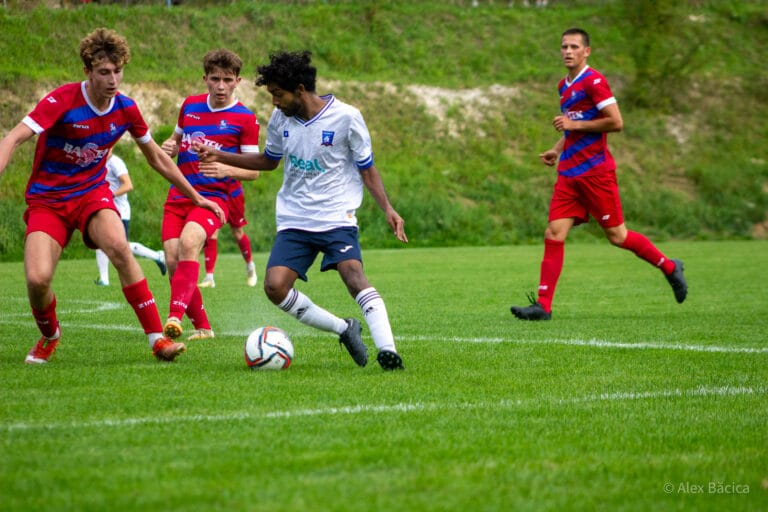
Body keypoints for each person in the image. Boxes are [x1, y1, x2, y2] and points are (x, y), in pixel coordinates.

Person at [0, 27, 224, 364]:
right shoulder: (62, 100)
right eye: (104, 72)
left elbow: (158, 158)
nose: (113, 79)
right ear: (87, 71)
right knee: (37, 279)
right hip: (48, 200)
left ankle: (157, 340)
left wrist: (196, 197)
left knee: (119, 246)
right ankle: (50, 335)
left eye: (118, 71)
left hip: (92, 194)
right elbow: (13, 138)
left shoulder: (126, 109)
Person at [195, 50, 408, 370]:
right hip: (295, 219)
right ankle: (343, 328)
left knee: (353, 276)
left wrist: (388, 208)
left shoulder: (347, 117)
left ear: (299, 89)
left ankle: (387, 350)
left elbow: (367, 169)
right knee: (275, 287)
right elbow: (268, 161)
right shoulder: (281, 119)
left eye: (278, 94)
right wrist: (220, 156)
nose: (274, 102)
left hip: (337, 216)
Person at [510, 27, 687, 321]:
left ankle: (669, 267)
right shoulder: (563, 86)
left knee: (617, 236)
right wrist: (556, 149)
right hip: (569, 173)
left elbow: (615, 122)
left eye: (574, 47)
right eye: (564, 46)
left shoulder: (595, 82)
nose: (568, 51)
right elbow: (572, 127)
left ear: (586, 51)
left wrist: (574, 126)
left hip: (596, 173)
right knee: (553, 233)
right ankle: (543, 306)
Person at [160, 48, 260, 342]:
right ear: (205, 78)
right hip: (179, 194)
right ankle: (203, 328)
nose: (220, 86)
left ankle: (174, 317)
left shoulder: (245, 119)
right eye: (214, 78)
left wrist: (225, 170)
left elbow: (254, 171)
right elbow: (176, 140)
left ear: (237, 81)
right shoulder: (189, 106)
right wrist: (171, 146)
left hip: (215, 199)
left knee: (190, 243)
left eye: (227, 80)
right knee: (172, 261)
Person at [94, 148, 167, 286]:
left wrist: (111, 195)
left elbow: (128, 185)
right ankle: (104, 280)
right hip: (107, 209)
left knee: (123, 247)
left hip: (120, 211)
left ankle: (158, 256)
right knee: (99, 242)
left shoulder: (115, 162)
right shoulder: (99, 163)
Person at [198, 176, 260, 289]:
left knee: (237, 232)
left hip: (233, 195)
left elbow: (247, 170)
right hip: (214, 193)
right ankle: (209, 277)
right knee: (212, 232)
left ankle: (250, 267)